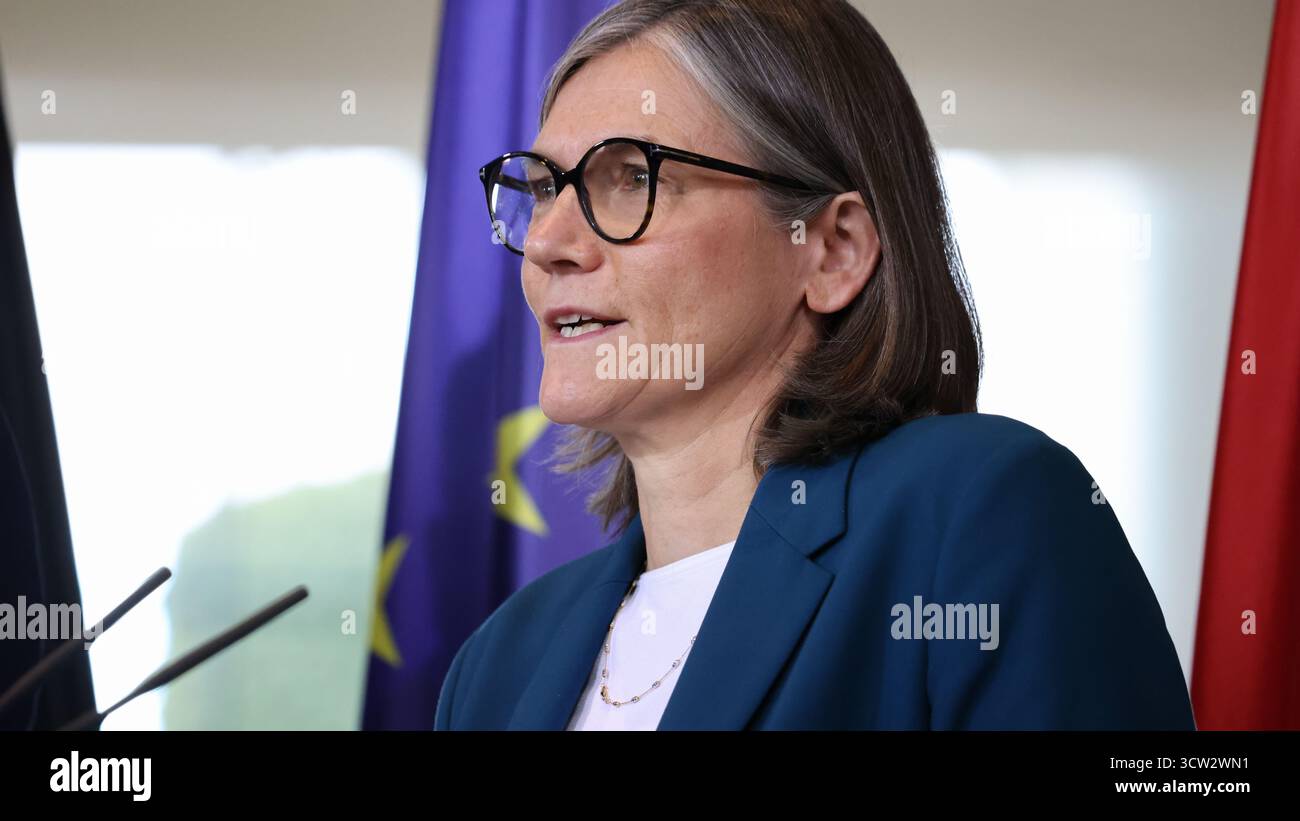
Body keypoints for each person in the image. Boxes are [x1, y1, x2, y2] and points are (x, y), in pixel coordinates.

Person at [434, 0, 1195, 730]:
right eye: (540, 188)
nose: (545, 243)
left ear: (832, 251)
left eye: (633, 176)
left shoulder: (979, 516)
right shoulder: (497, 663)